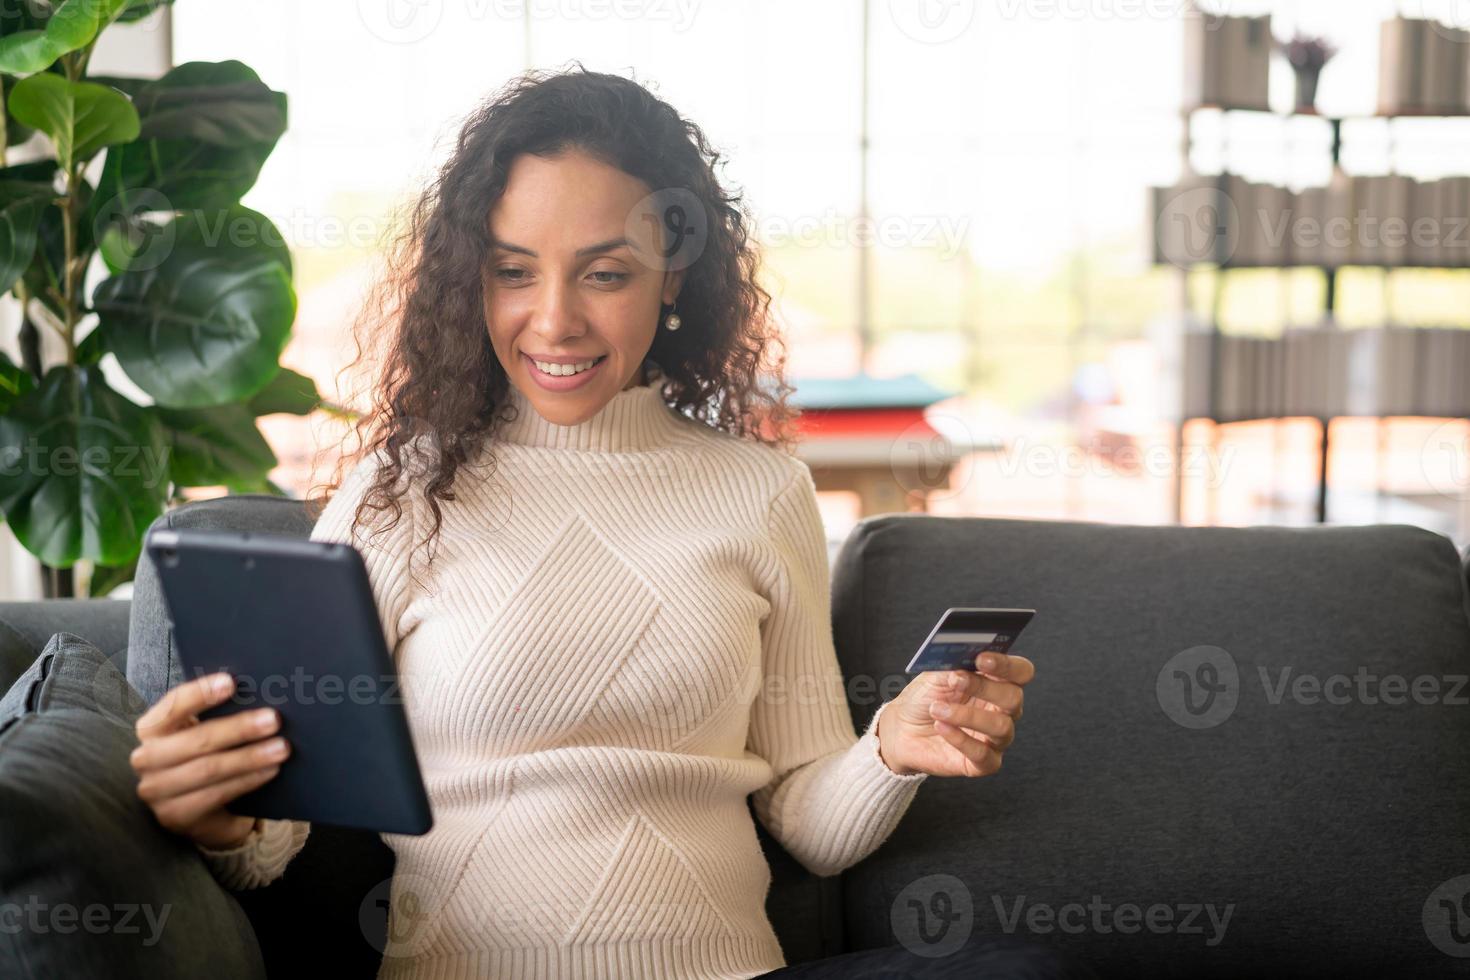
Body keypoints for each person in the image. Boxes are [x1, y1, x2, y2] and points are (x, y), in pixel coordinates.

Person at [128, 65, 1092, 980]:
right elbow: (273, 839)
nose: (553, 322)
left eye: (604, 274)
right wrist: (214, 810)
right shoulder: (398, 496)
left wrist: (891, 747)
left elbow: (807, 817)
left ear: (672, 277)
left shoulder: (760, 492)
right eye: (513, 271)